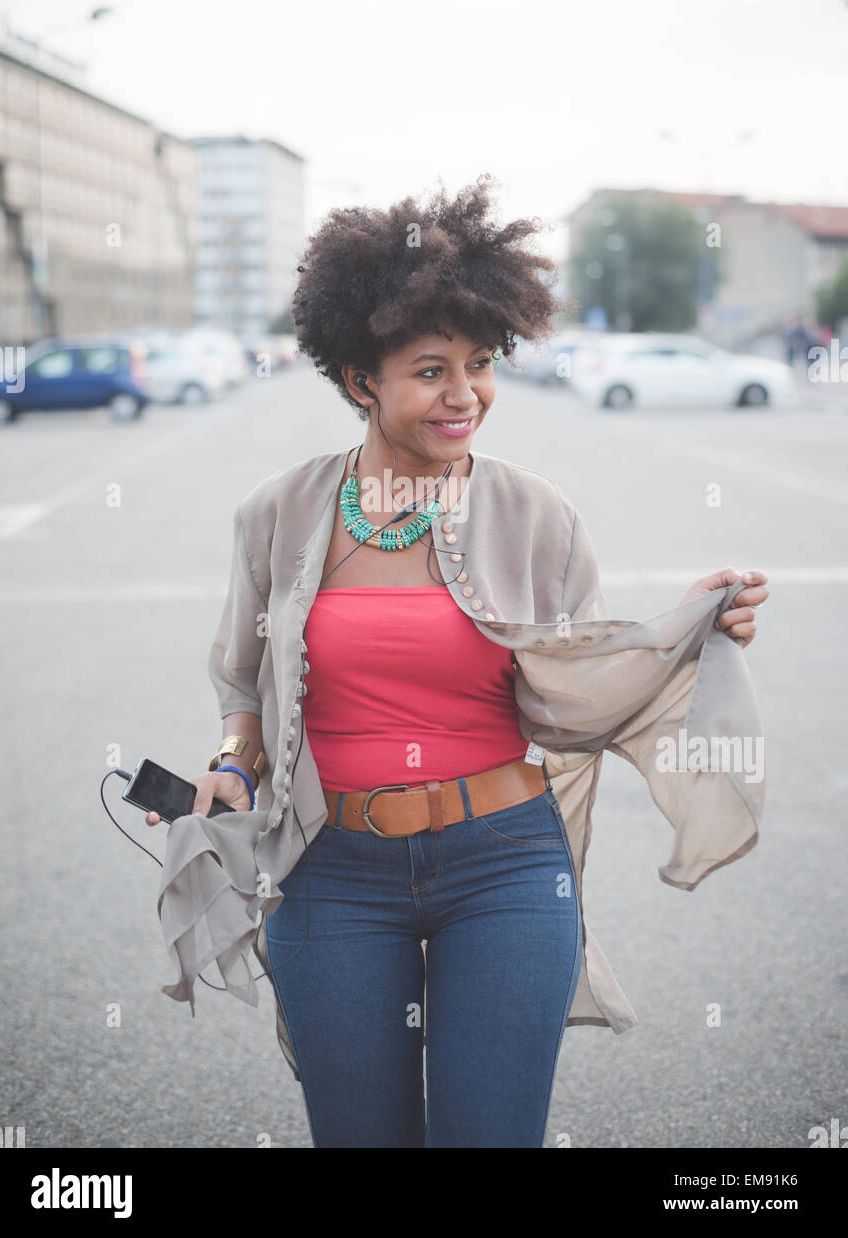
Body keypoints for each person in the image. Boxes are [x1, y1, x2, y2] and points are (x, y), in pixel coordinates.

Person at [150, 176, 769, 1149]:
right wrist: (234, 763)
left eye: (480, 363)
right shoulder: (279, 514)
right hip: (332, 870)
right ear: (360, 380)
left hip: (507, 868)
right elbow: (246, 687)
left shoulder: (536, 515)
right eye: (429, 368)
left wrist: (692, 626)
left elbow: (584, 686)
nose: (465, 393)